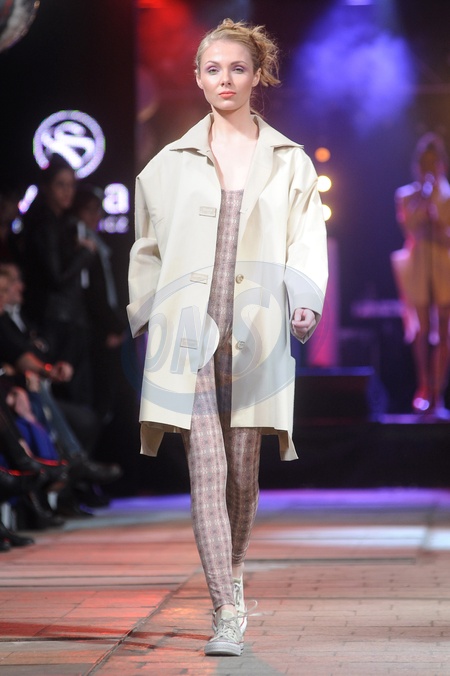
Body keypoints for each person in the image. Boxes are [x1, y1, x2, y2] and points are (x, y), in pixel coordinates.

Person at [127, 19, 328, 656]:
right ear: (196, 77)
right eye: (213, 69)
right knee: (206, 470)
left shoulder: (290, 161)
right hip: (186, 329)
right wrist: (147, 315)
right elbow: (146, 248)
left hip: (257, 329)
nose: (225, 80)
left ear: (257, 75)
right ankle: (225, 609)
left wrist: (303, 298)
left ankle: (233, 574)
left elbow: (307, 237)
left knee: (241, 473)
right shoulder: (167, 166)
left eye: (238, 68)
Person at [21, 156, 97, 408]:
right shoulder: (44, 223)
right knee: (64, 393)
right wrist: (85, 253)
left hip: (65, 320)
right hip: (54, 322)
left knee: (74, 392)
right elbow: (57, 276)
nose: (68, 192)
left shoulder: (60, 221)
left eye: (71, 185)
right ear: (46, 187)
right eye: (60, 184)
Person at [392, 133, 450, 416]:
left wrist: (437, 222)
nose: (428, 168)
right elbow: (410, 227)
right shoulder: (407, 195)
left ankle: (439, 391)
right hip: (418, 265)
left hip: (444, 265)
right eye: (424, 163)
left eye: (433, 162)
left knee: (444, 330)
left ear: (441, 164)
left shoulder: (447, 196)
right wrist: (423, 201)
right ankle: (424, 388)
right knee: (421, 329)